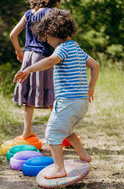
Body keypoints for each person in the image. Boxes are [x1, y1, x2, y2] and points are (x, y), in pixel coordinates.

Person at [13, 8, 100, 179]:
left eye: (46, 38)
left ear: (53, 33)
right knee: (67, 130)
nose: (46, 42)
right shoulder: (76, 47)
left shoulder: (62, 49)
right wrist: (91, 86)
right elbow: (95, 65)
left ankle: (59, 168)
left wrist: (28, 69)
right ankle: (83, 155)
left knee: (52, 134)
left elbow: (51, 60)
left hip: (67, 101)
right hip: (81, 102)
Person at [10, 0, 61, 139]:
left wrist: (19, 51)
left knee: (29, 95)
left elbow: (12, 35)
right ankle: (63, 132)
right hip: (42, 56)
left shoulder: (28, 14)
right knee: (52, 95)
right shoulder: (50, 13)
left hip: (27, 56)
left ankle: (26, 132)